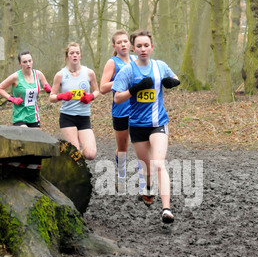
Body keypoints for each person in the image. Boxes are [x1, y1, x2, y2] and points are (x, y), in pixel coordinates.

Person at [112, 29, 180, 224]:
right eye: (139, 46)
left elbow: (176, 78)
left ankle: (166, 209)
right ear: (133, 48)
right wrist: (134, 89)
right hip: (137, 125)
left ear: (152, 47)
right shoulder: (128, 70)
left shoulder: (160, 66)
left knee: (159, 163)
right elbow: (117, 98)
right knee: (148, 168)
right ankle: (148, 188)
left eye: (146, 45)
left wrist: (171, 82)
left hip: (158, 122)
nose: (143, 49)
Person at [100, 29, 145, 194]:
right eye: (119, 42)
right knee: (123, 148)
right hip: (120, 110)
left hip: (138, 109)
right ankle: (121, 177)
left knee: (141, 145)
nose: (123, 45)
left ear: (130, 44)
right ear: (115, 46)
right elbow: (102, 87)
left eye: (125, 41)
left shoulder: (136, 59)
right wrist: (121, 80)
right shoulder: (112, 62)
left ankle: (144, 181)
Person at [50, 42, 99, 160]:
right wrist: (62, 96)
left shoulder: (89, 73)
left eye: (77, 53)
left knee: (90, 154)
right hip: (67, 117)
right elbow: (51, 97)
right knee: (75, 154)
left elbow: (97, 91)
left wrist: (90, 97)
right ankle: (74, 164)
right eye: (72, 53)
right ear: (67, 56)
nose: (75, 55)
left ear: (81, 55)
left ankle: (70, 157)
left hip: (84, 117)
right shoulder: (60, 75)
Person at [0, 50, 51, 127]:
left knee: (35, 138)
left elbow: (52, 94)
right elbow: (1, 88)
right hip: (19, 116)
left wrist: (49, 90)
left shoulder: (39, 75)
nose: (28, 64)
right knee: (25, 133)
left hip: (33, 116)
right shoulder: (15, 76)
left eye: (29, 61)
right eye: (24, 62)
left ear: (32, 61)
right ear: (19, 64)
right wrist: (11, 98)